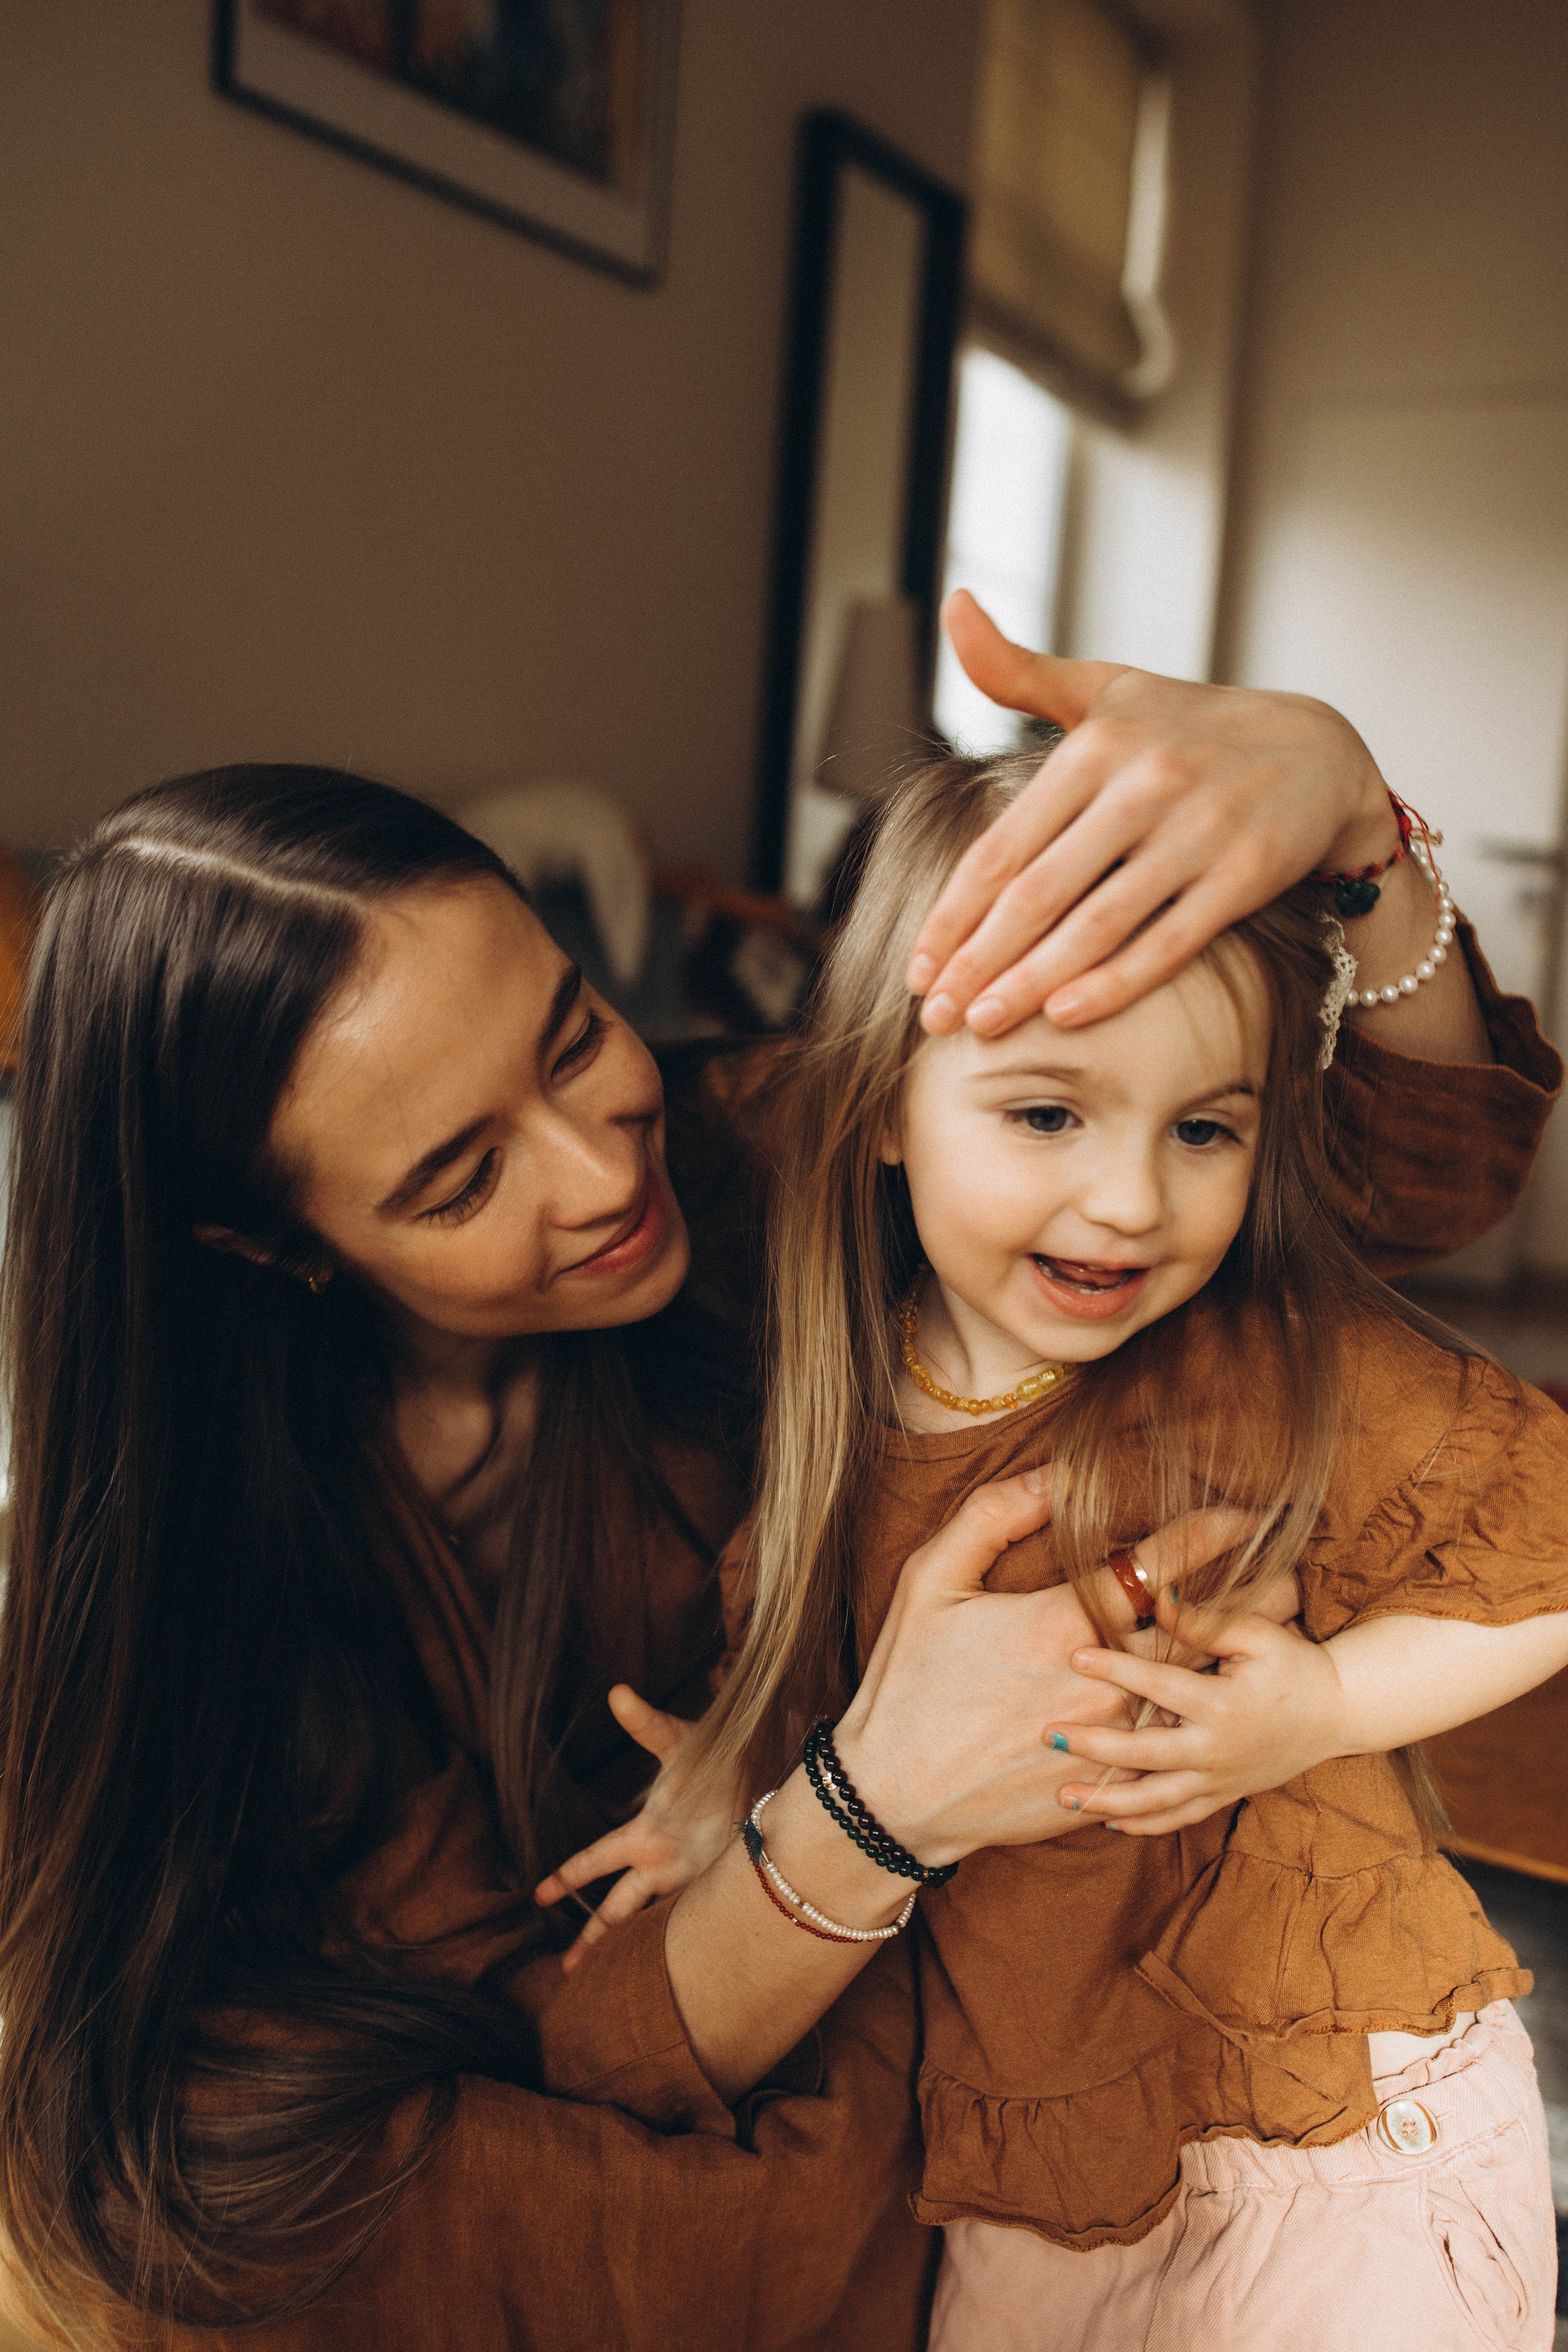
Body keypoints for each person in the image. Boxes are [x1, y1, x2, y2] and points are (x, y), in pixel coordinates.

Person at [0, 619, 1558, 2350]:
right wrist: (865, 1796)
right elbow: (540, 2055)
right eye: (461, 1179)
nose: (606, 1169)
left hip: (1175, 2097)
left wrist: (1359, 838)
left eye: (577, 1033)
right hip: (843, 2101)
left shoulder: (783, 1170)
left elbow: (1371, 1181)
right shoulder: (267, 1612)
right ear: (271, 1245)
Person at [636, 748, 1568, 2351]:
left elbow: (1547, 1540)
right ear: (877, 1113)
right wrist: (718, 1792)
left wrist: (1323, 1710)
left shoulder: (1253, 1365)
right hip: (1031, 2152)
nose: (1129, 1200)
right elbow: (832, 1681)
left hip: (1327, 2127)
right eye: (1049, 1111)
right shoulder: (836, 1401)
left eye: (1203, 1131)